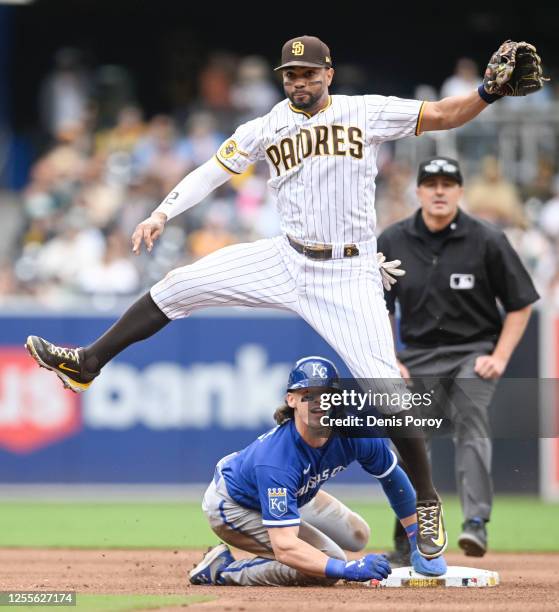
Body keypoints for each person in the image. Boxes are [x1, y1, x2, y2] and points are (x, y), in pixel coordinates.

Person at [25, 35, 541, 558]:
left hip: (349, 271)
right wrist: (163, 212)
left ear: (329, 75)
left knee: (389, 394)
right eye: (291, 75)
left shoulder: (368, 112)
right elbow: (213, 170)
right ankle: (88, 362)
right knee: (178, 285)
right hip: (286, 258)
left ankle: (425, 503)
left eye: (308, 74)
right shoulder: (269, 124)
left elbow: (448, 114)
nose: (299, 82)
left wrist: (487, 92)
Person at [377, 157, 539, 562]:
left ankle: (475, 523)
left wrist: (499, 357)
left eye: (447, 183)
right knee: (411, 438)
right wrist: (389, 358)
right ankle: (409, 536)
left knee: (470, 414)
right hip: (416, 356)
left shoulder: (487, 239)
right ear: (417, 191)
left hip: (472, 352)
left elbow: (521, 304)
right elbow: (376, 307)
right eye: (430, 183)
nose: (438, 190)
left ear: (460, 191)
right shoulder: (393, 240)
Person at [188, 356, 446, 586]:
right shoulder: (276, 461)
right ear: (291, 400)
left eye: (325, 394)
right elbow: (286, 547)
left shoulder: (356, 432)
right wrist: (345, 569)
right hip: (235, 504)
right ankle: (223, 570)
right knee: (328, 564)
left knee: (358, 535)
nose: (317, 402)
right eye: (307, 394)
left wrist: (416, 540)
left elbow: (393, 479)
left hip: (296, 490)